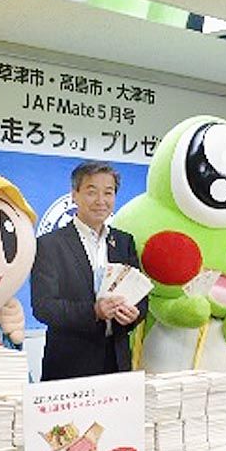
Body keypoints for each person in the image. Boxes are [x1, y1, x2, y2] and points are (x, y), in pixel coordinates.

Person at [31, 161, 146, 381]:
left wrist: (134, 315)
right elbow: (44, 307)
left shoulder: (124, 242)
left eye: (108, 192)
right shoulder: (50, 244)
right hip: (70, 365)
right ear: (74, 195)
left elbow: (141, 299)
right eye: (92, 192)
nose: (101, 201)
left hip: (117, 361)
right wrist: (94, 311)